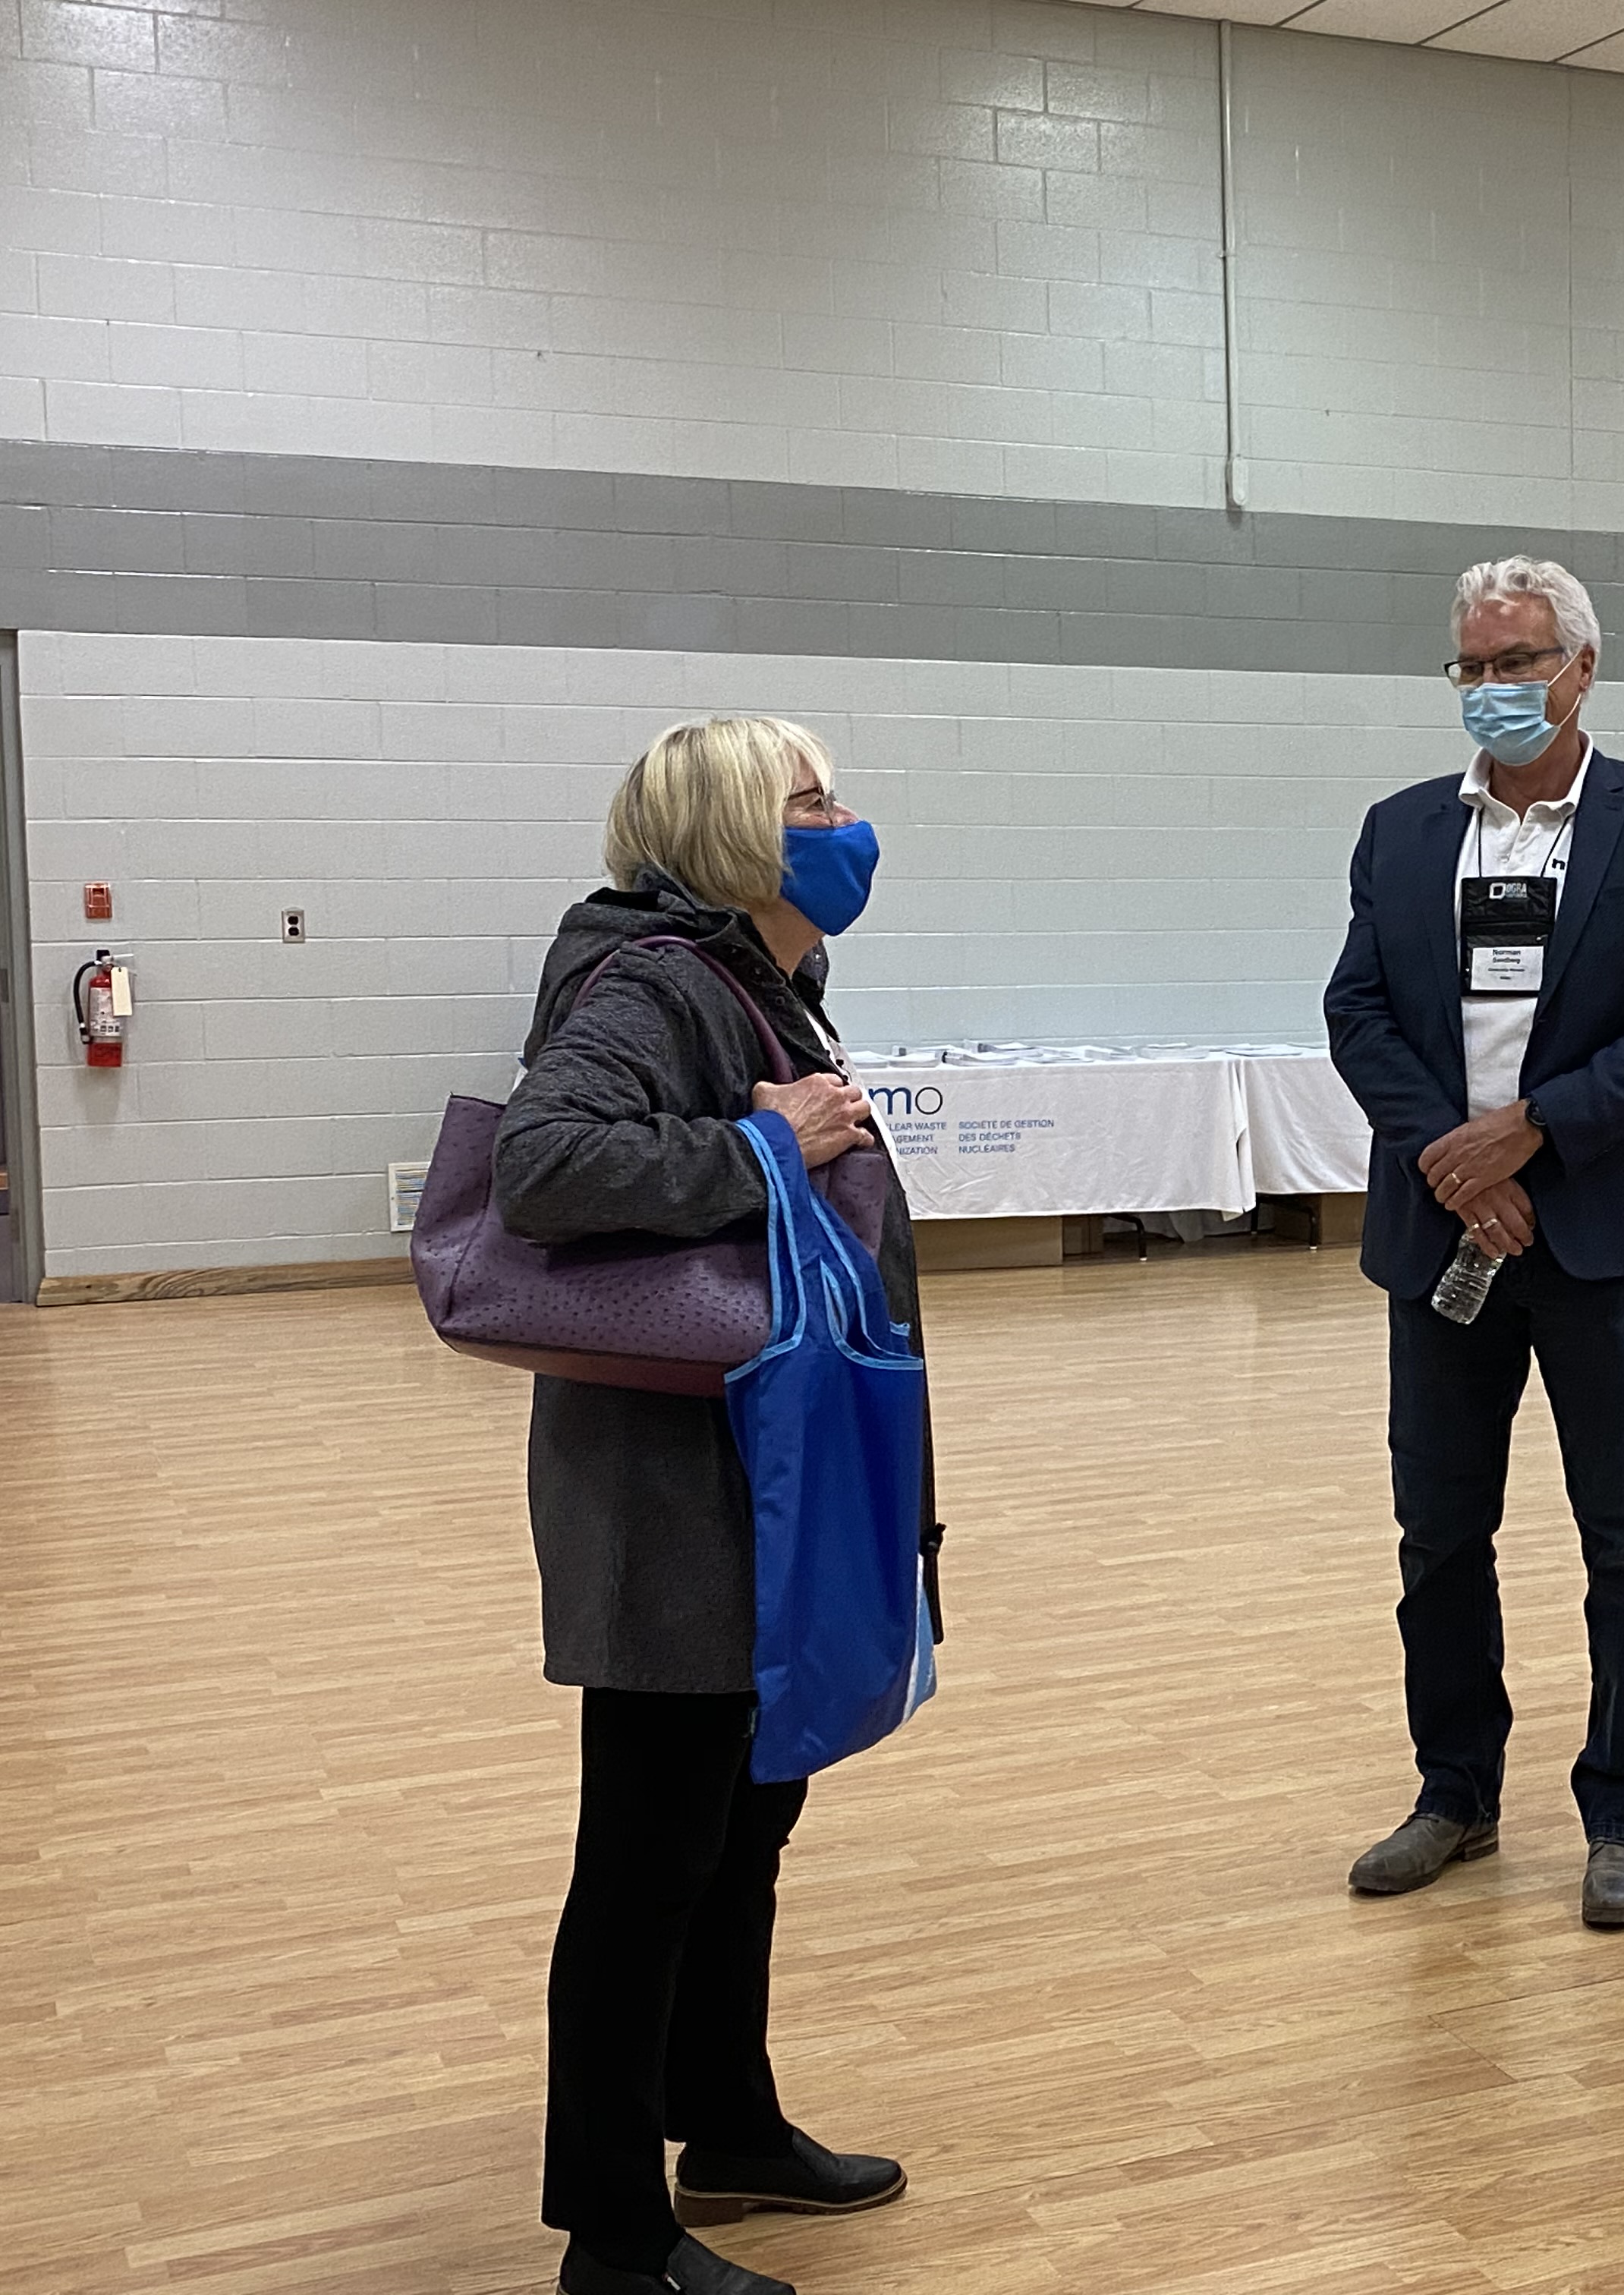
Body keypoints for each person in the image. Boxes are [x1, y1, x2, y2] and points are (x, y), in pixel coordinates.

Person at [495, 718, 925, 2295]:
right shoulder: (653, 981)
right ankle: (612, 2236)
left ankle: (726, 2120)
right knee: (649, 1852)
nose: (847, 822)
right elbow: (546, 1166)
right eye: (812, 800)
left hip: (764, 1473)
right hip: (678, 1495)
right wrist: (768, 1139)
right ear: (737, 835)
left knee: (747, 1817)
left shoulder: (753, 975)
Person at [1323, 556, 1624, 1930]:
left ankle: (1623, 1806)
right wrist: (1455, 1158)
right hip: (1446, 1223)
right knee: (1439, 1529)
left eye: (1519, 661)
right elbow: (1359, 1011)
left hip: (1604, 1228)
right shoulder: (1397, 832)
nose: (1494, 688)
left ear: (1582, 668)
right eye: (1473, 667)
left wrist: (1530, 1137)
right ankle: (1456, 1793)